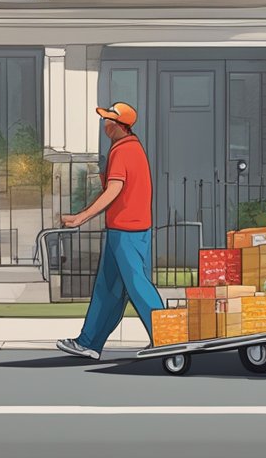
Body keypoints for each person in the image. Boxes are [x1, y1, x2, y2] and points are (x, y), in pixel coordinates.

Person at [56, 102, 163, 360]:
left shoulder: (124, 151)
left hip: (128, 230)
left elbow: (114, 190)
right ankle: (89, 342)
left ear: (121, 126)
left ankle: (167, 337)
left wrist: (82, 217)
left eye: (109, 121)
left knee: (138, 286)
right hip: (125, 229)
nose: (105, 125)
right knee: (109, 289)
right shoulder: (130, 148)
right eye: (105, 119)